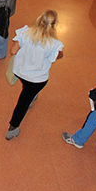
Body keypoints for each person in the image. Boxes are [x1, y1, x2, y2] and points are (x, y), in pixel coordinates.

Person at [5, 10, 64, 140]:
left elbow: (13, 51)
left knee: (26, 90)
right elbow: (58, 56)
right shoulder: (53, 43)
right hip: (37, 79)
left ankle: (31, 96)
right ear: (53, 25)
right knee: (23, 102)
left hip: (20, 72)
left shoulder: (25, 32)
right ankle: (12, 128)